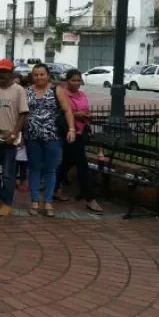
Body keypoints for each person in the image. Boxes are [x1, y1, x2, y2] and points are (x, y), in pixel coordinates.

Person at [25, 64, 76, 217]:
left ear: (48, 75)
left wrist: (71, 129)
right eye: (36, 75)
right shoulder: (27, 91)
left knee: (50, 169)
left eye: (42, 74)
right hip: (32, 136)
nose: (39, 77)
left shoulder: (56, 90)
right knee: (34, 168)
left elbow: (67, 110)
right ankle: (34, 200)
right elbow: (22, 112)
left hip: (53, 136)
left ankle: (48, 201)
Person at [0, 59, 29, 217]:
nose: (3, 74)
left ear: (12, 72)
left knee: (9, 174)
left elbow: (23, 114)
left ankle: (7, 203)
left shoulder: (18, 90)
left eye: (6, 71)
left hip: (10, 137)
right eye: (0, 71)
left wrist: (15, 133)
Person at [55, 70, 103, 214]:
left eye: (78, 80)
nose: (76, 83)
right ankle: (90, 198)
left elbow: (85, 109)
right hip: (69, 133)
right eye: (73, 80)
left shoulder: (82, 95)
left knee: (66, 163)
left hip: (81, 132)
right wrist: (77, 115)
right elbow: (62, 112)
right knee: (82, 165)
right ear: (67, 81)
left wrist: (87, 116)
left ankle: (55, 187)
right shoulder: (62, 94)